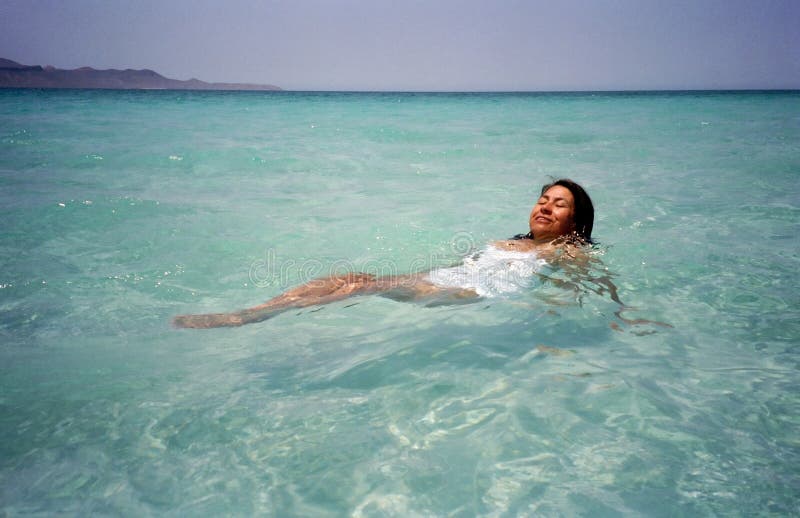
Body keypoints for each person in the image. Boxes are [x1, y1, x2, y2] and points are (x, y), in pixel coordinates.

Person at [173, 179, 595, 329]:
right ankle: (254, 312)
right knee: (352, 276)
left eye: (558, 204)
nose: (545, 206)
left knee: (362, 285)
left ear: (575, 222)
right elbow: (464, 264)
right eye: (542, 199)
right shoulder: (514, 241)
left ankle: (250, 318)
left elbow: (589, 282)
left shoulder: (569, 250)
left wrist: (619, 313)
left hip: (470, 295)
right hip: (450, 281)